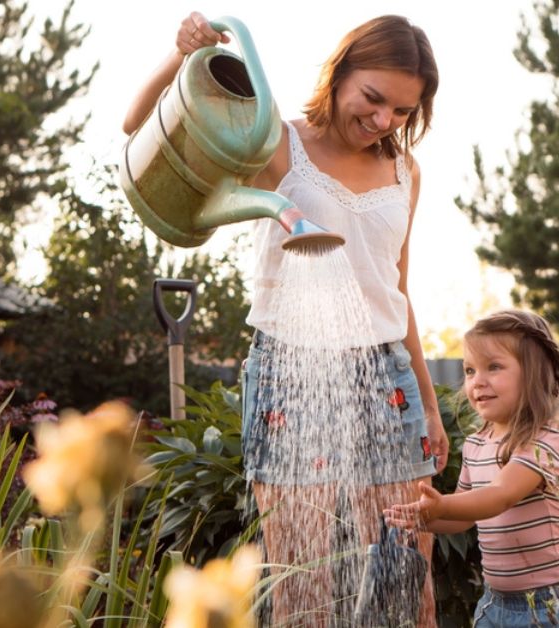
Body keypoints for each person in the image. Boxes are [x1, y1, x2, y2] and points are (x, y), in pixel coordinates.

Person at [123, 12, 447, 626]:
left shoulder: (406, 172)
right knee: (303, 583)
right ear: (341, 73)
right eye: (373, 98)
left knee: (407, 585)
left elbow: (397, 291)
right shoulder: (275, 142)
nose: (384, 120)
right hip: (293, 373)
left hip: (386, 377)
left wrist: (429, 404)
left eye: (403, 111)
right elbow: (138, 128)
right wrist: (179, 56)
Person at [385, 309, 559, 627]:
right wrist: (421, 517)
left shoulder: (545, 439)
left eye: (493, 367)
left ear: (535, 374)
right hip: (496, 601)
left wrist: (442, 504)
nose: (477, 381)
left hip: (553, 604)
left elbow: (500, 495)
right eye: (470, 371)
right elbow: (464, 516)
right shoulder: (476, 443)